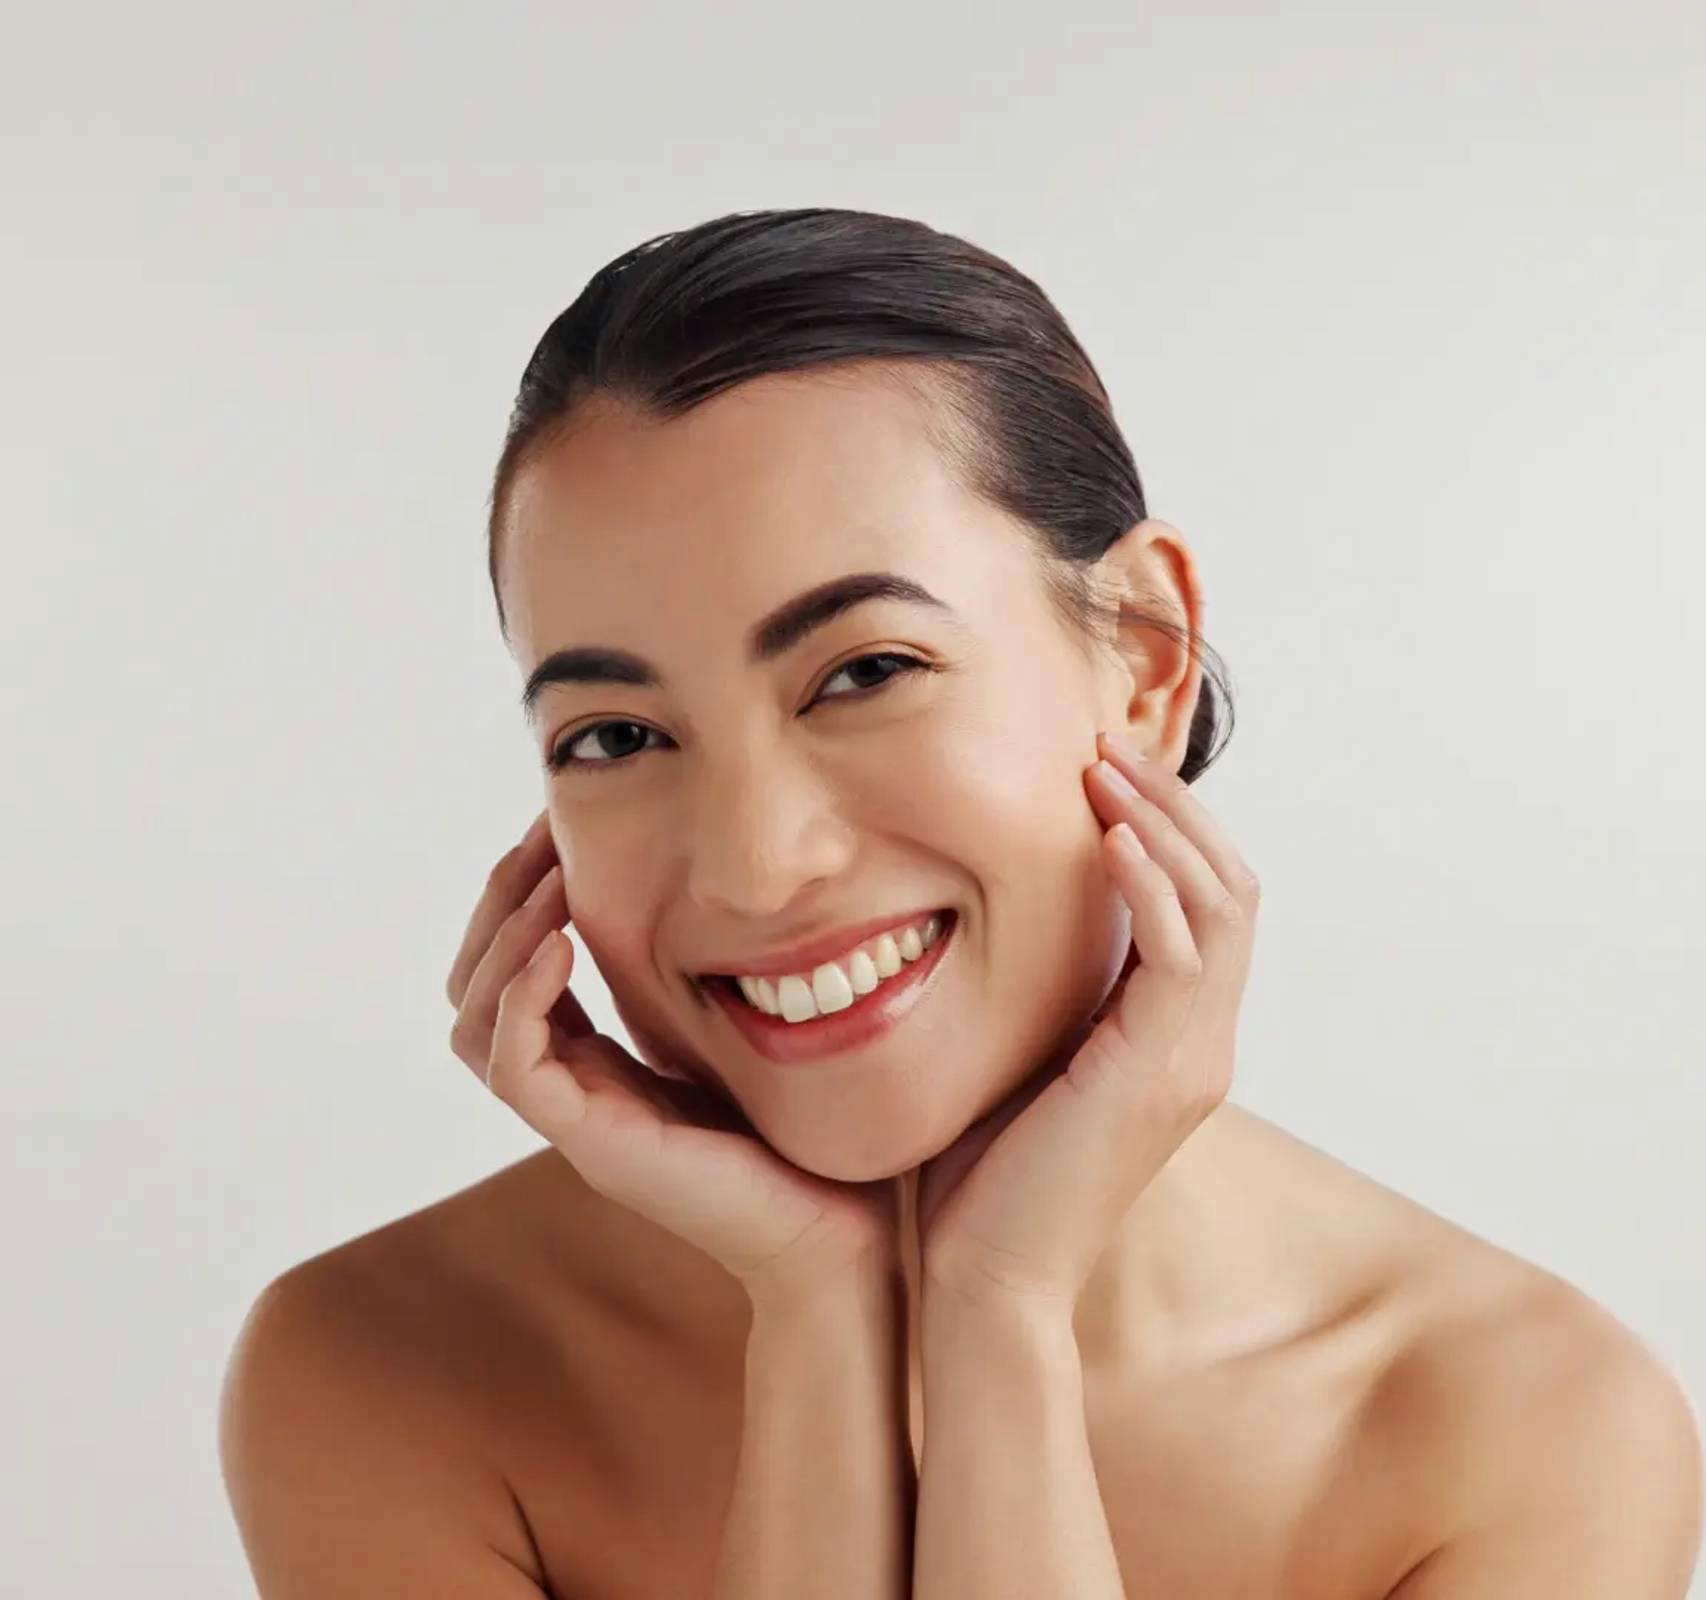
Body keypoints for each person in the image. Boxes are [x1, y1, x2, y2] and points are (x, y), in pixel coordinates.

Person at [217, 207, 1703, 1598]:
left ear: (1144, 660)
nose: (754, 866)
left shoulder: (1523, 1430)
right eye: (615, 736)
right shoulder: (388, 1371)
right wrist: (815, 1312)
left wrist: (999, 1313)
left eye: (865, 671)